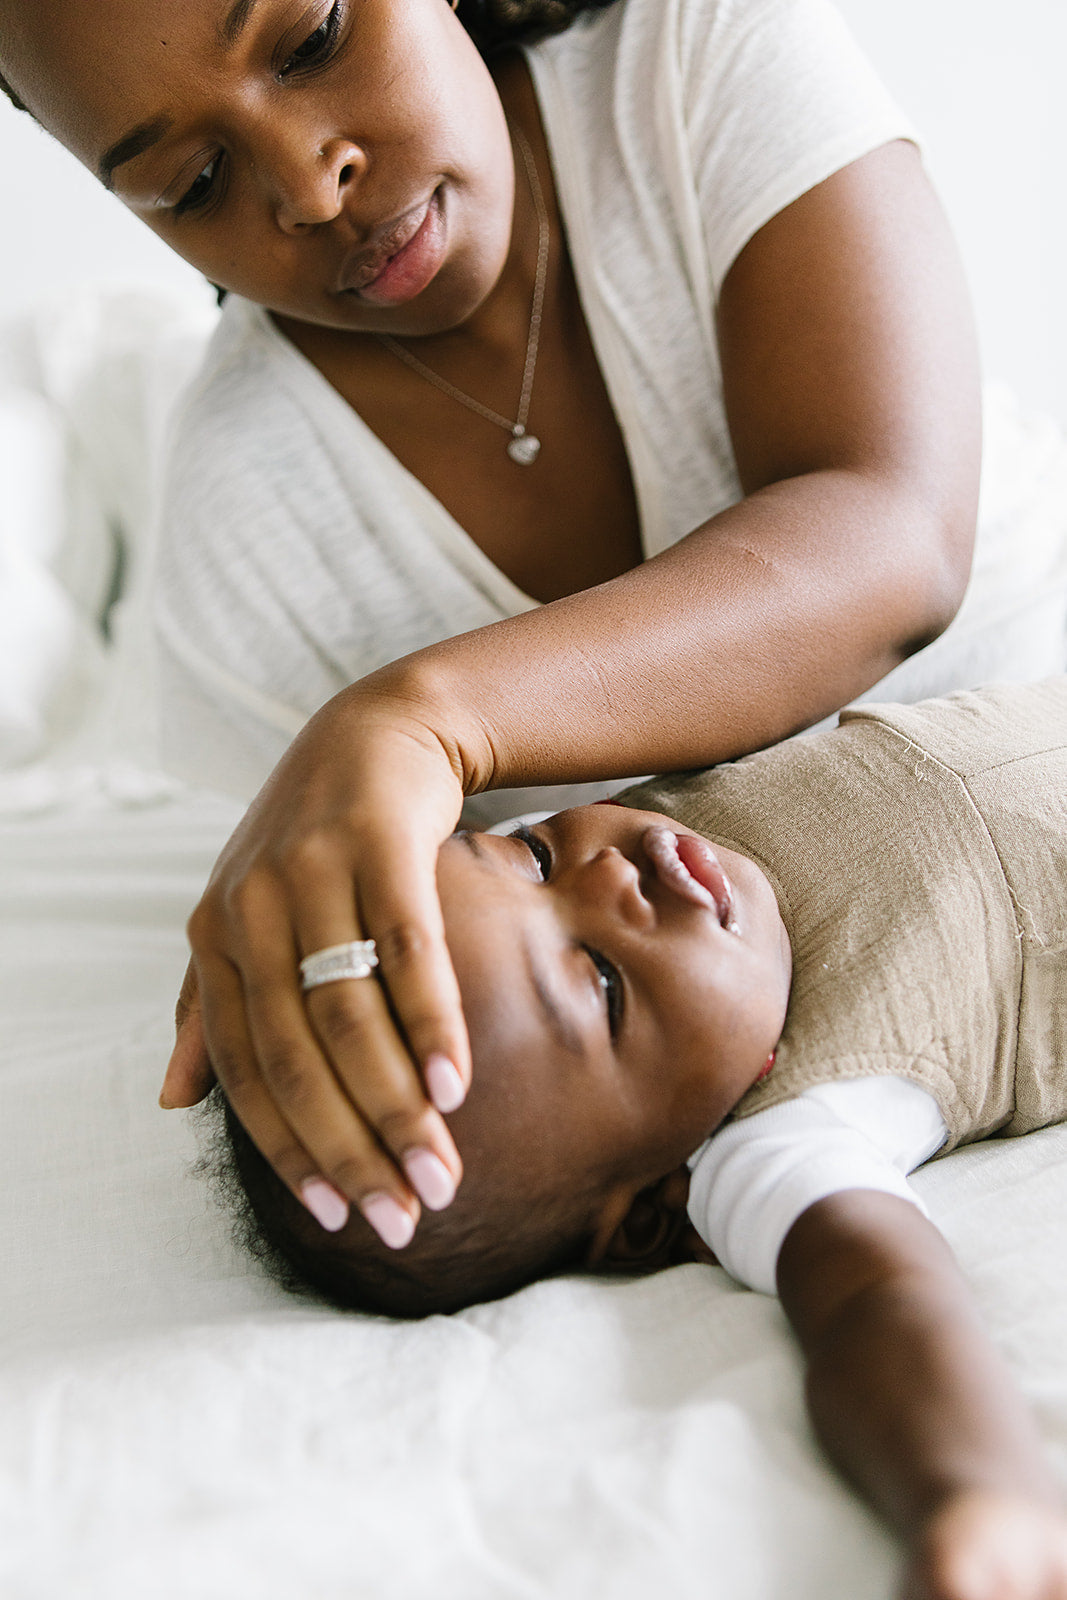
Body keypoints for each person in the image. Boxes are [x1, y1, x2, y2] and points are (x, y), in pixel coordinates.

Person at [0, 0, 987, 1253]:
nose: (310, 186)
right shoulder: (247, 535)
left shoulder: (690, 56)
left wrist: (422, 717)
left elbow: (890, 534)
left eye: (311, 41)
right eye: (192, 182)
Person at [205, 678, 1067, 1600]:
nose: (609, 877)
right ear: (653, 1211)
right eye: (602, 987)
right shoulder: (772, 1136)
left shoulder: (639, 815)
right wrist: (971, 1493)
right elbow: (876, 1300)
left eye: (531, 858)